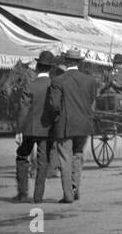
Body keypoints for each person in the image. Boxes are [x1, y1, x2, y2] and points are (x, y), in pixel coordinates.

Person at [45, 48, 99, 204]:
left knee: (65, 158)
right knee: (78, 155)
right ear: (79, 62)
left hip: (66, 125)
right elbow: (91, 102)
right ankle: (75, 189)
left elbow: (54, 105)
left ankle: (68, 194)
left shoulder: (58, 81)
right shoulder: (89, 81)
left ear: (66, 62)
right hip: (83, 125)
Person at [15, 50, 56, 204]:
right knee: (42, 161)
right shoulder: (53, 86)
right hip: (46, 129)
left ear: (38, 66)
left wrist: (19, 130)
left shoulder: (30, 86)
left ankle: (23, 192)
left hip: (29, 129)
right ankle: (38, 196)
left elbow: (23, 109)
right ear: (51, 69)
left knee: (21, 157)